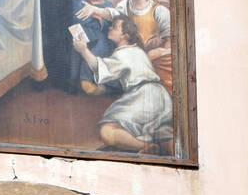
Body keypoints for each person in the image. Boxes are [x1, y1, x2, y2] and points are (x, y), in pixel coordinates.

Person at [71, 15, 173, 155]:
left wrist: (84, 50)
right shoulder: (136, 51)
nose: (109, 28)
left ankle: (146, 146)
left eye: (114, 27)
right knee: (155, 131)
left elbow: (101, 68)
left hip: (143, 96)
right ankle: (158, 145)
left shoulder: (124, 53)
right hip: (161, 97)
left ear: (124, 35)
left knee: (107, 131)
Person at [77, 0, 172, 92]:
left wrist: (159, 52)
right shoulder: (124, 5)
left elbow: (169, 40)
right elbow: (112, 14)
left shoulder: (159, 10)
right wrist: (94, 9)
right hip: (131, 52)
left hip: (153, 56)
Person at [70, 0, 115, 92]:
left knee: (103, 42)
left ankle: (86, 80)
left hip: (98, 40)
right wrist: (98, 18)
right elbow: (78, 18)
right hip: (79, 35)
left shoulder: (109, 6)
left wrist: (96, 17)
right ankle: (76, 80)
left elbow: (107, 25)